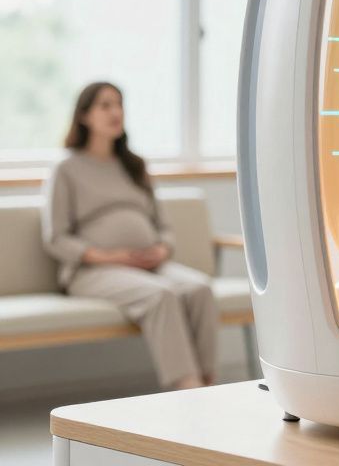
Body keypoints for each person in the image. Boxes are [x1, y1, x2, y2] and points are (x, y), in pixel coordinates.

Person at [42, 82, 220, 390]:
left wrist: (162, 250)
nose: (116, 112)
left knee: (200, 289)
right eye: (105, 105)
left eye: (119, 104)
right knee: (161, 296)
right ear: (84, 116)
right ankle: (188, 389)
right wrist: (107, 256)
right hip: (92, 271)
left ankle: (209, 385)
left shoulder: (134, 166)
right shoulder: (66, 168)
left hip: (150, 264)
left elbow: (164, 227)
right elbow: (55, 237)